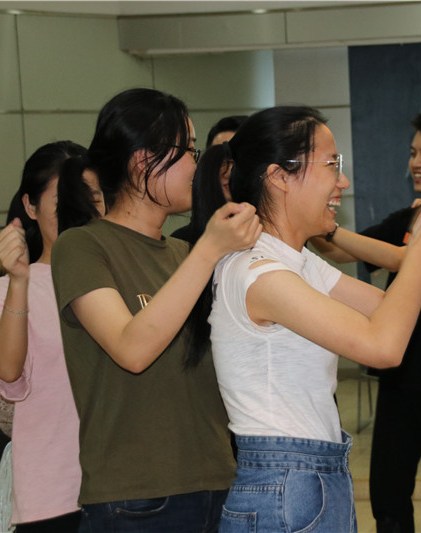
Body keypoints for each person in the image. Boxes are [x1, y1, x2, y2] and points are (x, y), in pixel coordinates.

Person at [188, 105, 421, 532]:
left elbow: (387, 308)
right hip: (285, 483)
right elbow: (382, 347)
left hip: (312, 476)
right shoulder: (259, 272)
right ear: (279, 176)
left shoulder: (295, 260)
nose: (343, 182)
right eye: (332, 165)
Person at [51, 88, 261, 532]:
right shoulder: (82, 246)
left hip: (218, 481)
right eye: (189, 150)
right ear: (143, 160)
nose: (196, 166)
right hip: (136, 498)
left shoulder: (185, 253)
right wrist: (210, 250)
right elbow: (132, 349)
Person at [312, 106, 421, 532]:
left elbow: (404, 257)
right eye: (412, 153)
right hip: (400, 377)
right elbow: (339, 251)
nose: (415, 163)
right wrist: (312, 220)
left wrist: (325, 226)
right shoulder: (408, 218)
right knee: (388, 497)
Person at [0, 141, 102, 532]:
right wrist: (19, 280)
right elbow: (7, 373)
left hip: (124, 485)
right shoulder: (6, 291)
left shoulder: (115, 281)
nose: (80, 211)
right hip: (53, 495)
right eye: (64, 202)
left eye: (92, 198)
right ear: (31, 207)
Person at [173, 115, 248, 242]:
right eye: (220, 159)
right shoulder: (183, 242)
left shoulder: (272, 237)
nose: (229, 171)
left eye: (238, 158)